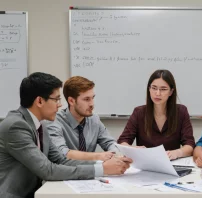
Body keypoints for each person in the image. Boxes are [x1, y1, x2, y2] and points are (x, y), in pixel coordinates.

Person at [0, 72, 132, 198]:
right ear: (39, 101)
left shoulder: (40, 124)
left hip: (35, 192)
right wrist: (102, 170)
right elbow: (48, 170)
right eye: (56, 99)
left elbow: (61, 160)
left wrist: (102, 164)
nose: (60, 104)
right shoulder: (16, 126)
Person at [117, 69, 195, 160]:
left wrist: (177, 153)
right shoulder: (139, 112)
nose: (157, 93)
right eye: (154, 88)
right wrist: (134, 149)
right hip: (146, 165)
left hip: (172, 164)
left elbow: (190, 145)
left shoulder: (181, 111)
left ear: (171, 92)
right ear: (149, 89)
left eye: (163, 89)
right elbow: (123, 142)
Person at [45, 76, 119, 161]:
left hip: (92, 172)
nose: (92, 104)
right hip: (67, 172)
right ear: (71, 101)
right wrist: (98, 156)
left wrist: (115, 153)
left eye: (92, 98)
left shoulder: (94, 119)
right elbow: (61, 153)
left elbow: (109, 142)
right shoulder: (54, 121)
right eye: (86, 99)